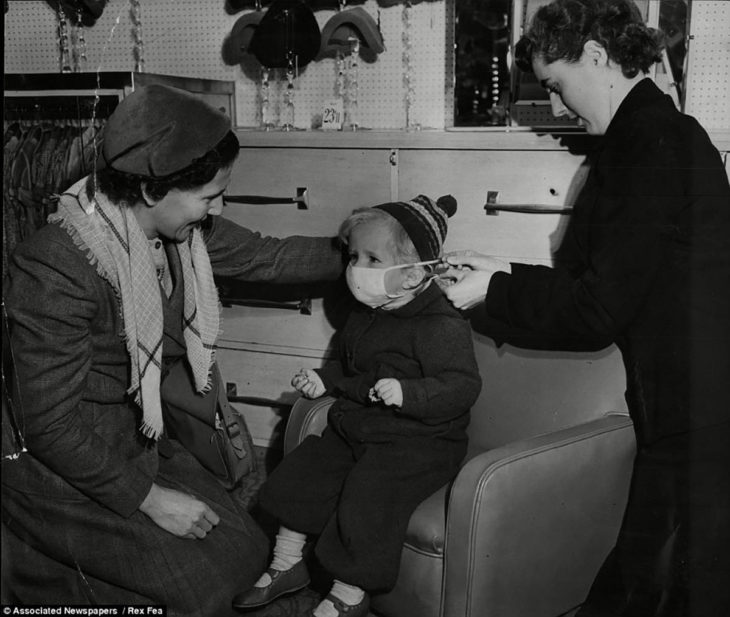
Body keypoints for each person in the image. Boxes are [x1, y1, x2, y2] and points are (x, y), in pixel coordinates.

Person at [1, 84, 343, 615]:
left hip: (133, 439)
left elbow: (270, 258)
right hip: (54, 467)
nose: (218, 207)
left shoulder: (183, 230)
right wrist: (150, 499)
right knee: (203, 589)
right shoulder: (55, 265)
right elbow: (47, 425)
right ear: (151, 190)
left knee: (246, 552)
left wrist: (373, 248)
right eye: (209, 196)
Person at [442, 1, 730, 616]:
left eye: (556, 86)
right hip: (688, 403)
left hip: (702, 412)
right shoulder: (642, 139)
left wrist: (492, 293)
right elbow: (590, 281)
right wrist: (497, 273)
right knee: (647, 583)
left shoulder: (651, 143)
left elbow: (595, 310)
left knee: (671, 586)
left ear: (597, 58)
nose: (554, 109)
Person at [233, 195, 482, 617]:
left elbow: (462, 386)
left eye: (371, 258)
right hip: (365, 426)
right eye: (353, 256)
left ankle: (349, 592)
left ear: (411, 274)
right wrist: (324, 380)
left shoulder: (440, 325)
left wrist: (410, 394)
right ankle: (286, 564)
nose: (354, 269)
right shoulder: (368, 313)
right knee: (306, 468)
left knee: (369, 496)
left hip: (420, 441)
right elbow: (357, 371)